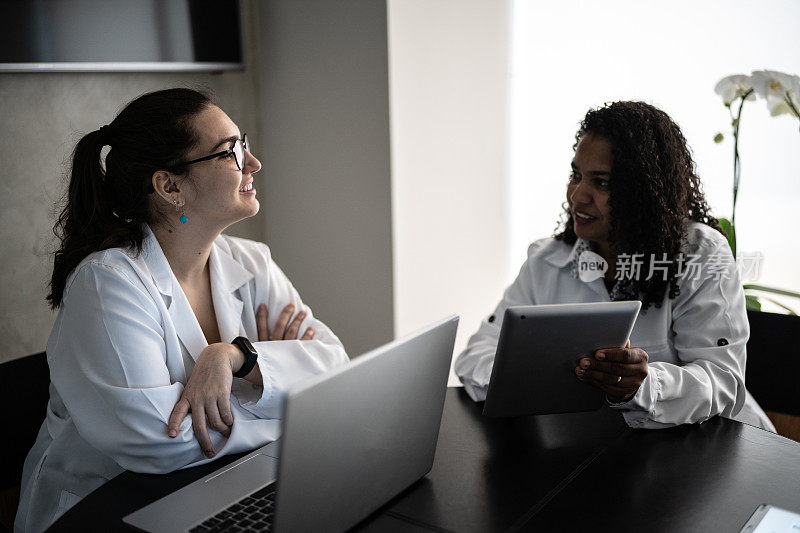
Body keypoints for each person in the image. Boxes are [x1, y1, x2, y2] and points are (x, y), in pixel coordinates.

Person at [15, 88, 349, 532]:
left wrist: (237, 357)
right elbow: (157, 441)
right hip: (108, 508)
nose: (253, 163)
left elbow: (337, 370)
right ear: (170, 187)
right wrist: (289, 402)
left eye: (243, 143)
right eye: (230, 152)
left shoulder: (250, 262)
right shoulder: (106, 283)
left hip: (220, 481)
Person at [455, 101, 775, 432]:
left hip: (715, 450)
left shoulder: (700, 254)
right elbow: (476, 355)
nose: (577, 196)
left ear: (645, 192)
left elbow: (722, 383)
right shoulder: (547, 260)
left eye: (602, 182)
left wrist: (645, 385)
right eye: (576, 175)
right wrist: (528, 379)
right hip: (596, 449)